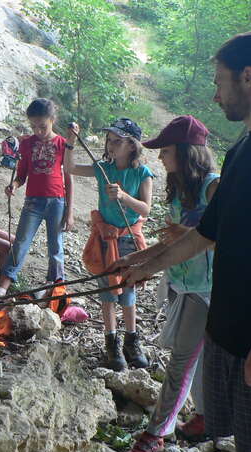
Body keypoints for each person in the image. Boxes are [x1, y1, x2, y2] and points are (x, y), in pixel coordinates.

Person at [123, 31, 251, 452]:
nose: (215, 94)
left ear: (249, 76)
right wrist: (143, 265)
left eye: (220, 81)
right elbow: (205, 233)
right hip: (226, 330)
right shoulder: (240, 149)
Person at [108, 116, 219, 452]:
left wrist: (143, 268)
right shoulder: (180, 187)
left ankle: (156, 434)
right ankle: (204, 417)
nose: (160, 158)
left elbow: (213, 238)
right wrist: (133, 261)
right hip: (182, 283)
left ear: (188, 153)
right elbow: (171, 242)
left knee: (182, 362)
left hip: (210, 289)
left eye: (166, 151)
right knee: (197, 358)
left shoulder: (213, 187)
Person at [65, 118, 153, 370]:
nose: (111, 145)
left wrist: (124, 197)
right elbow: (69, 168)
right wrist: (70, 142)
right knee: (107, 292)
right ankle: (111, 343)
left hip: (128, 238)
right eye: (109, 140)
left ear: (132, 145)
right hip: (105, 239)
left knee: (128, 290)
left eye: (117, 141)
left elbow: (145, 209)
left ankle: (131, 341)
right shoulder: (103, 167)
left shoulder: (142, 174)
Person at [0, 98, 74, 296]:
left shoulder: (62, 144)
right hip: (33, 201)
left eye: (43, 126)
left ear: (53, 120)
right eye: (33, 126)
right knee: (21, 241)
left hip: (57, 201)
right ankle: (2, 287)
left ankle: (52, 289)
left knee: (55, 247)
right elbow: (22, 174)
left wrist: (69, 212)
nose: (38, 131)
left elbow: (69, 178)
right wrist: (13, 185)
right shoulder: (27, 144)